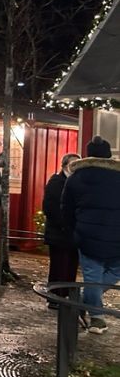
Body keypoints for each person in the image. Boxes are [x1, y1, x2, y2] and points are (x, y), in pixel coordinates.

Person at [62, 136, 120, 334]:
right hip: (117, 234)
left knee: (92, 276)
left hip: (86, 235)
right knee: (114, 271)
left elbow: (66, 208)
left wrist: (74, 230)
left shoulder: (76, 177)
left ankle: (94, 316)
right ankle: (93, 313)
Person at [43, 153, 80, 306]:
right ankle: (54, 297)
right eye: (73, 165)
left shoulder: (75, 182)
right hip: (59, 232)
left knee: (71, 265)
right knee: (59, 265)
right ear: (65, 166)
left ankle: (65, 295)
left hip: (71, 233)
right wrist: (64, 223)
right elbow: (50, 208)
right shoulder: (56, 182)